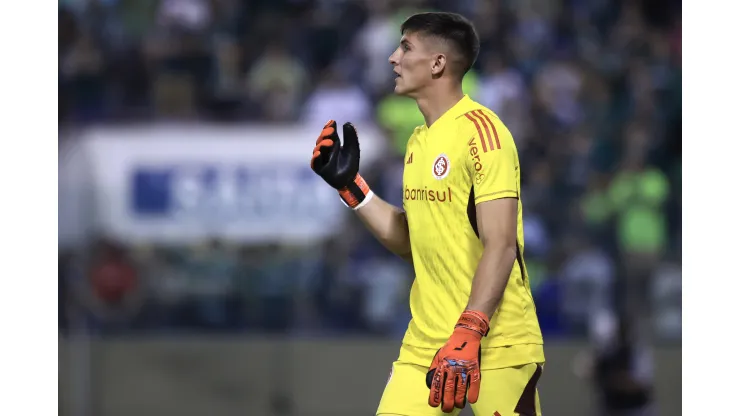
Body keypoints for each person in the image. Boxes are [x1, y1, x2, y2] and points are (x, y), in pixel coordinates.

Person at [310, 12, 544, 416]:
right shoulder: (418, 141)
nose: (392, 58)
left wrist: (470, 329)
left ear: (437, 64)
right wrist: (352, 188)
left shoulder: (483, 133)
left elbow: (502, 244)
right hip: (425, 346)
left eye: (405, 47)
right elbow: (411, 241)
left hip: (496, 342)